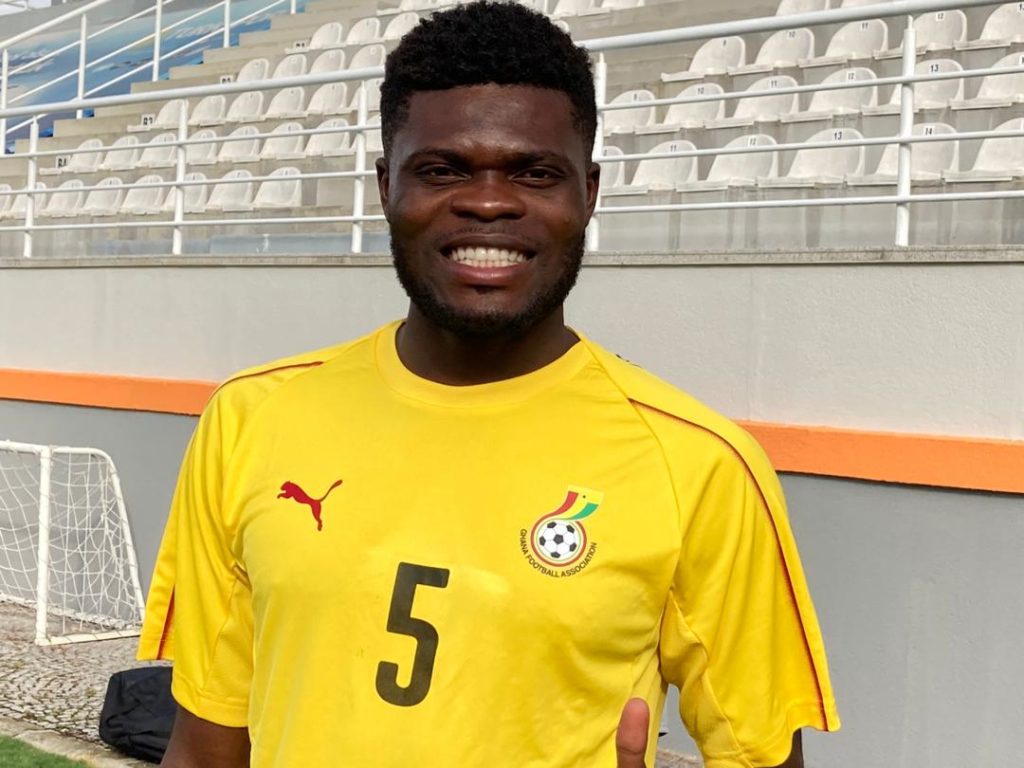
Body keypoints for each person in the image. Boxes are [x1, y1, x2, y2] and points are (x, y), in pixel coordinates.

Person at [137, 3, 840, 766]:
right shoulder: (250, 418)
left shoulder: (702, 465)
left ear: (590, 194)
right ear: (385, 188)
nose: (489, 202)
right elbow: (205, 747)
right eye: (443, 170)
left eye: (535, 173)